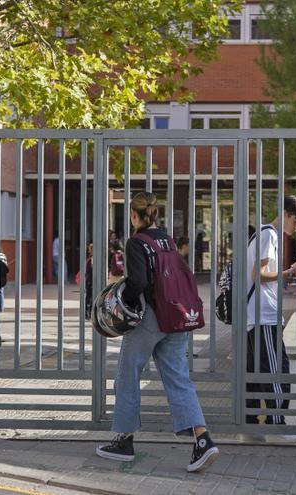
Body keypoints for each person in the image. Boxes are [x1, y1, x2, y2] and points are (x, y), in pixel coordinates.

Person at [96, 192, 219, 472]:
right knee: (179, 379)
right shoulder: (167, 239)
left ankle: (124, 441)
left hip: (150, 318)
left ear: (135, 215)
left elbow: (138, 282)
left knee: (128, 374)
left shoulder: (136, 242)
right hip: (176, 318)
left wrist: (121, 302)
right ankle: (203, 441)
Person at [245, 196, 296, 426]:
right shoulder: (269, 235)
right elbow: (258, 274)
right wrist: (287, 273)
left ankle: (251, 421)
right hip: (263, 315)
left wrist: (289, 271)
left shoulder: (264, 234)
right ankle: (277, 424)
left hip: (255, 314)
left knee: (255, 372)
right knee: (277, 370)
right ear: (287, 215)